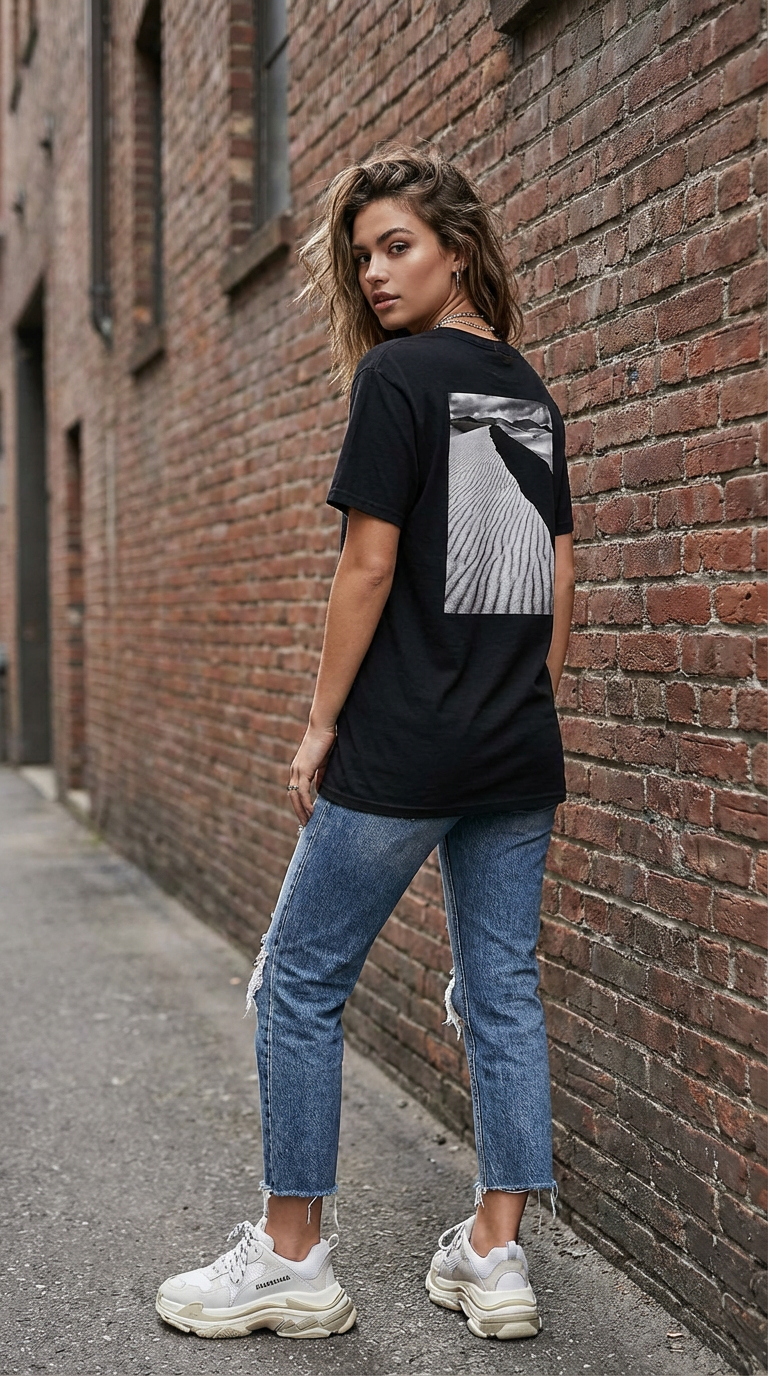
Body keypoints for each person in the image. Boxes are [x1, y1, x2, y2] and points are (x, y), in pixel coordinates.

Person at [155, 145, 575, 1343]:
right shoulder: (527, 393)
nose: (377, 274)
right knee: (500, 987)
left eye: (398, 247)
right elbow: (556, 575)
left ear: (457, 249)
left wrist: (320, 722)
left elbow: (369, 564)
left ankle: (291, 1257)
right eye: (363, 257)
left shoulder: (396, 377)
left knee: (296, 979)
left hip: (404, 749)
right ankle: (496, 1252)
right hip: (514, 750)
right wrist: (526, 704)